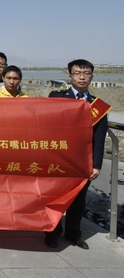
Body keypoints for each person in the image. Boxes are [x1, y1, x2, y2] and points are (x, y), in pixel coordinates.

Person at [45, 59, 107, 250]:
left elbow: (99, 138)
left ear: (92, 76)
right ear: (70, 76)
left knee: (78, 200)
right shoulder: (57, 98)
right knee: (55, 197)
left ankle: (73, 234)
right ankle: (52, 234)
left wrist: (96, 164)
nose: (82, 77)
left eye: (86, 73)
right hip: (60, 158)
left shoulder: (98, 106)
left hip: (82, 161)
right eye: (78, 73)